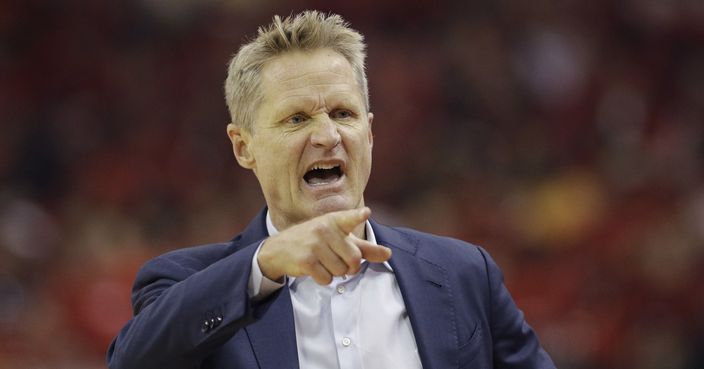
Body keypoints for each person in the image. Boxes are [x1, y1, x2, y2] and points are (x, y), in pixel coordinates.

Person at [107, 10, 556, 369]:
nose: (327, 136)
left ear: (370, 132)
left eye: (343, 114)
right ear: (244, 147)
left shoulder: (464, 274)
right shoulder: (182, 282)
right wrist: (265, 264)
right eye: (296, 119)